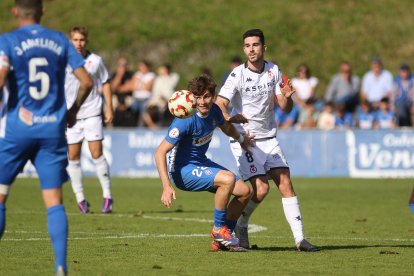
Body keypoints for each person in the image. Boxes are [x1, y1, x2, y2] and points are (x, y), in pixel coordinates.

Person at [0, 1, 93, 275]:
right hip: (52, 129)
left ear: (15, 11)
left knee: (2, 195)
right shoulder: (59, 40)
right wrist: (72, 111)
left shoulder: (8, 41)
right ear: (42, 11)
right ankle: (61, 266)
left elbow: (2, 77)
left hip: (18, 128)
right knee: (54, 202)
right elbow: (86, 81)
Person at [216, 29, 319, 251]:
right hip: (246, 139)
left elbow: (284, 105)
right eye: (247, 46)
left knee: (286, 183)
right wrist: (229, 118)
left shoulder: (274, 70)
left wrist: (288, 98)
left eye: (255, 45)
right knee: (261, 190)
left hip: (269, 139)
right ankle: (240, 226)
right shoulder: (237, 74)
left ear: (264, 47)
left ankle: (300, 240)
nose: (251, 49)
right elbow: (220, 103)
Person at [154, 74, 253, 251]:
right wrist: (166, 186)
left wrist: (241, 138)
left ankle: (223, 238)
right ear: (191, 98)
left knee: (245, 192)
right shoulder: (184, 121)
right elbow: (160, 152)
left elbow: (226, 127)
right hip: (182, 171)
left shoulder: (215, 111)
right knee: (228, 179)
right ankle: (218, 230)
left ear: (213, 97)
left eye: (206, 96)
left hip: (201, 163)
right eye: (197, 97)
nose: (202, 102)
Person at [65, 26, 114, 214]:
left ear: (87, 41)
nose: (79, 43)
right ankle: (80, 199)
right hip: (72, 116)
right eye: (75, 40)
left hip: (92, 112)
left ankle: (107, 196)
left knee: (96, 153)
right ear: (71, 41)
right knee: (73, 156)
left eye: (82, 40)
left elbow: (106, 82)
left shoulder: (95, 61)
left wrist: (109, 107)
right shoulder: (64, 61)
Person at [119, 60, 155, 125]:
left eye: (142, 66)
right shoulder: (137, 74)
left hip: (146, 98)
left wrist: (140, 81)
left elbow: (147, 88)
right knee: (130, 108)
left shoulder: (151, 75)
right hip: (136, 97)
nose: (141, 68)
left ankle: (148, 126)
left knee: (144, 110)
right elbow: (132, 87)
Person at [142, 64, 179, 128]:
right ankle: (152, 125)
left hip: (168, 100)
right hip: (157, 99)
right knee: (146, 108)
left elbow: (169, 88)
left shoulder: (173, 77)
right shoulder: (158, 79)